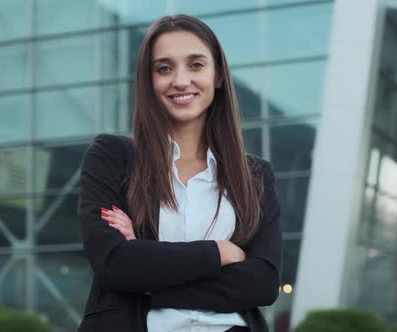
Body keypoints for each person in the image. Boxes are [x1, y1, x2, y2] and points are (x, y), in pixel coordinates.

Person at [77, 14, 282, 332]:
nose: (181, 81)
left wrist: (149, 280)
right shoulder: (111, 157)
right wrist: (218, 252)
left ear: (217, 76)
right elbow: (115, 265)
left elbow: (262, 283)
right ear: (149, 81)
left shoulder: (255, 175)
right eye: (164, 68)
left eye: (196, 65)